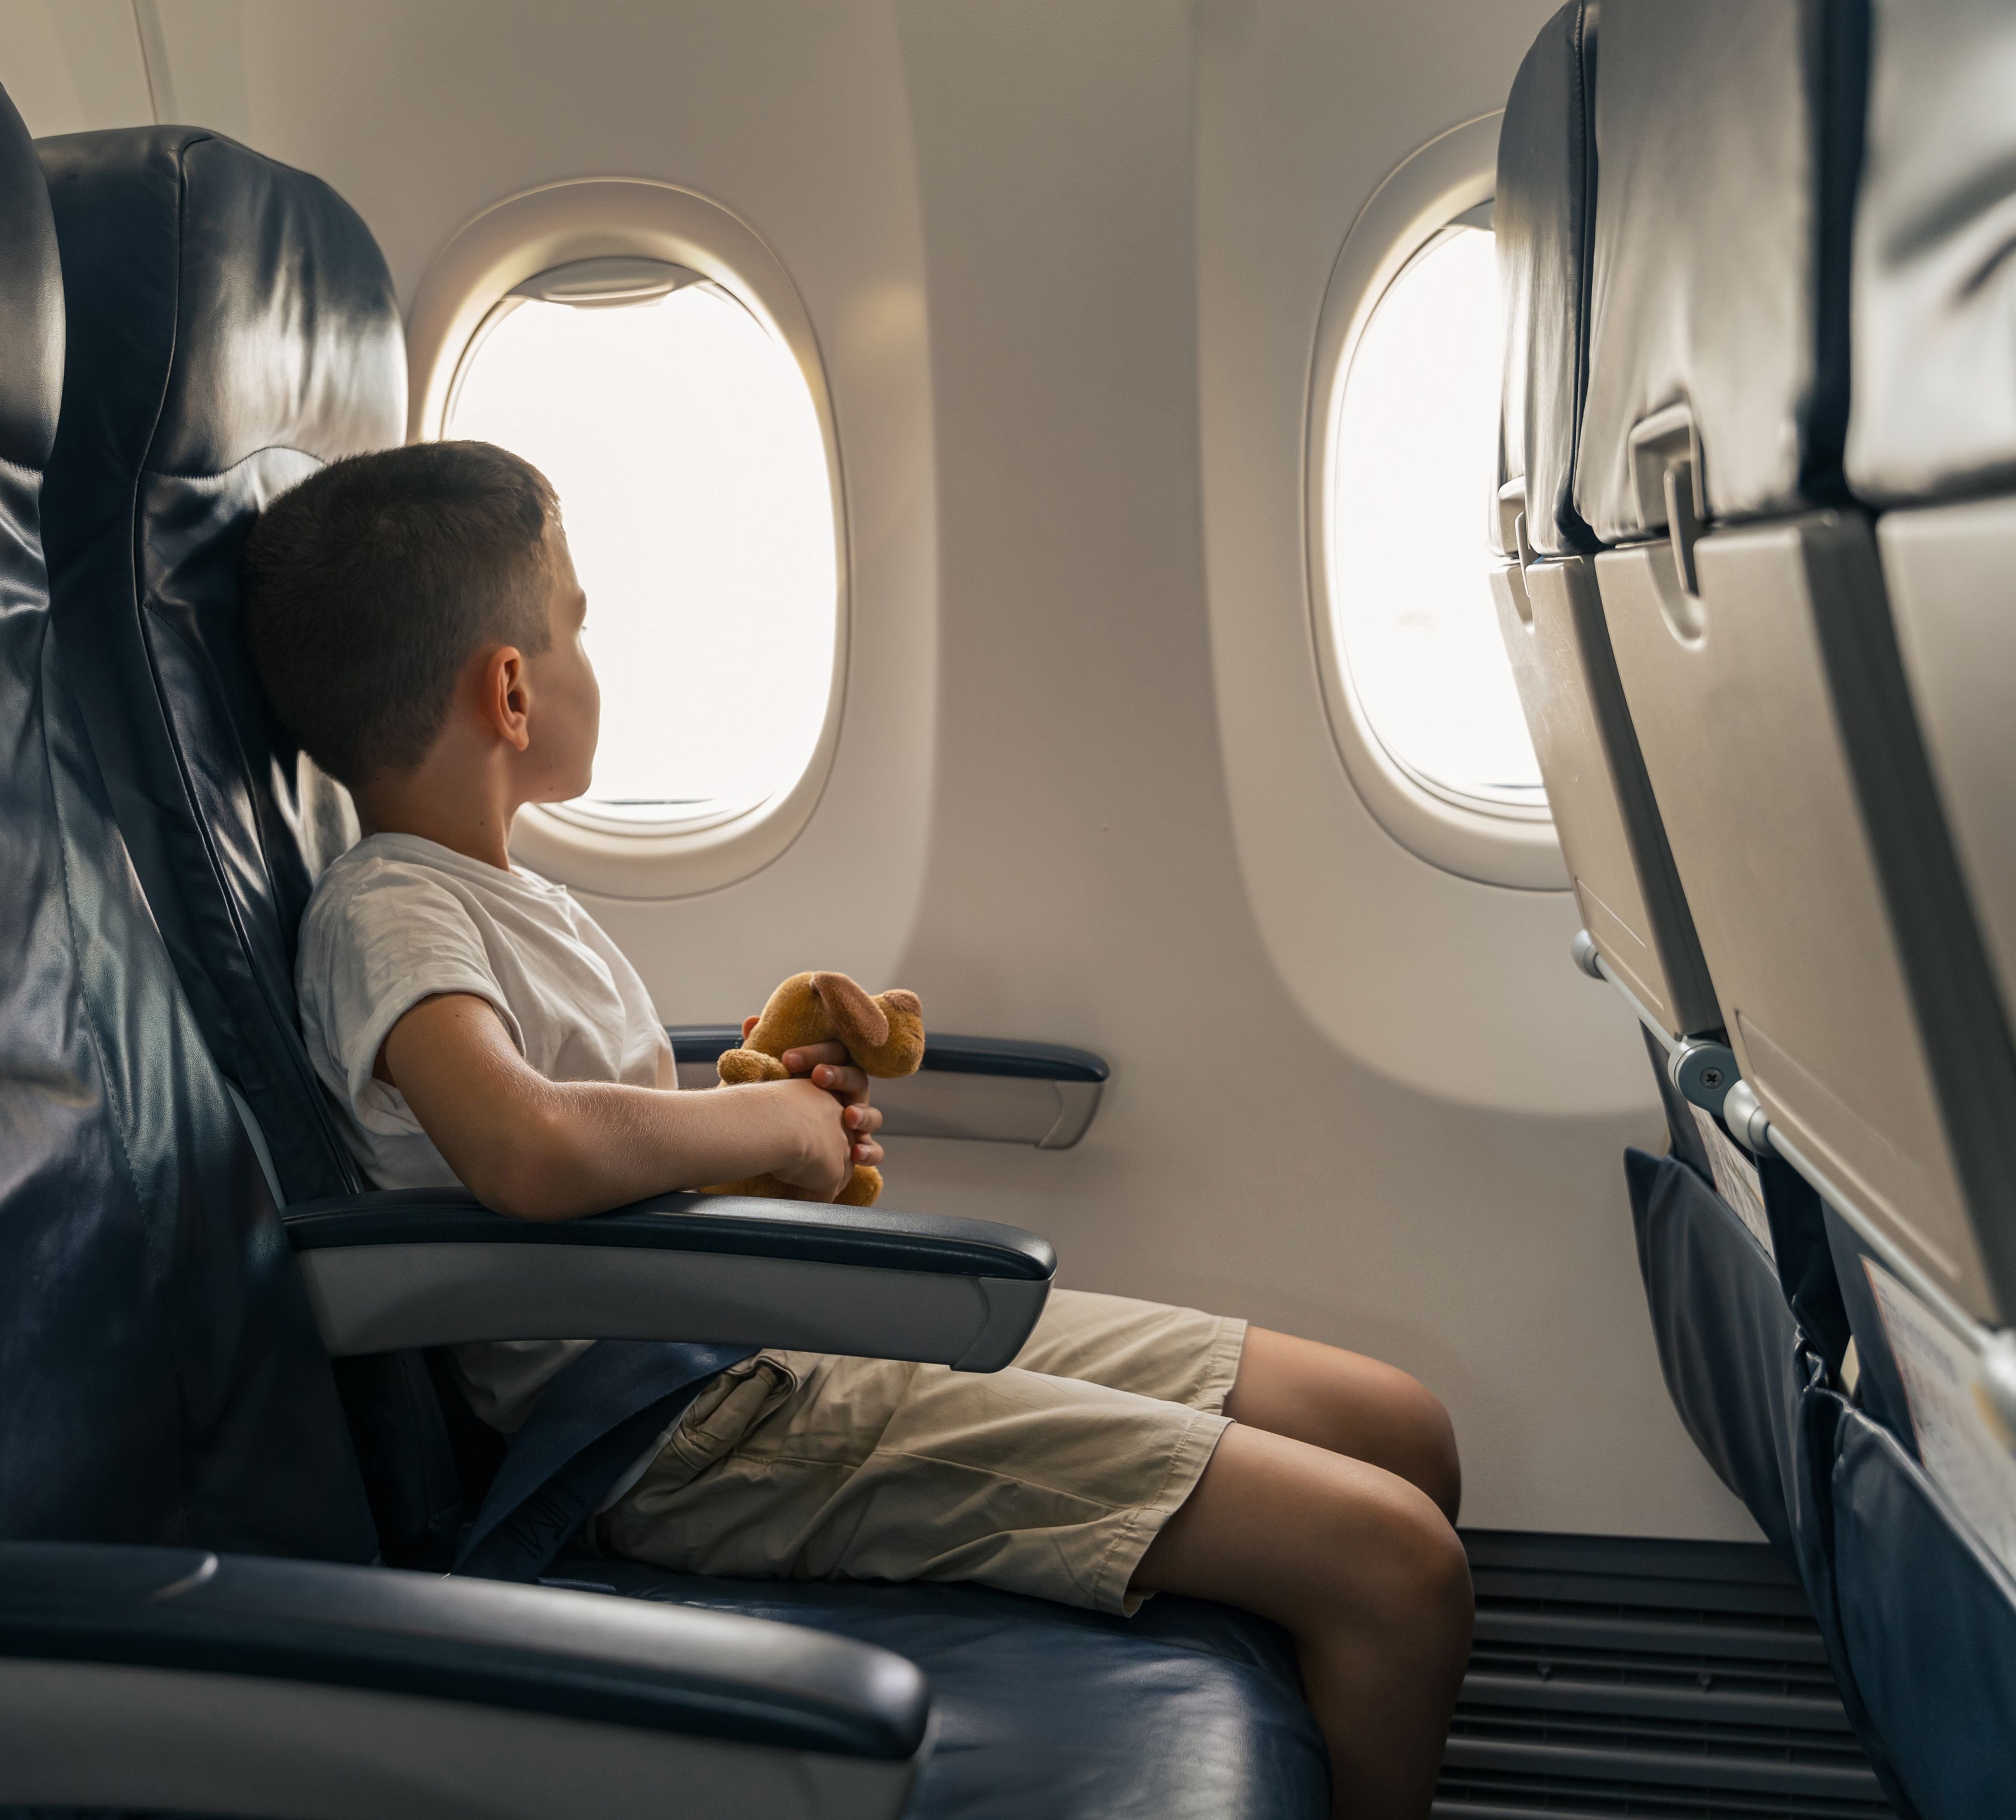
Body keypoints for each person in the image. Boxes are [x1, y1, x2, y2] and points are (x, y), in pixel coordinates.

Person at [250, 439, 1472, 1820]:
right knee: (1395, 1568)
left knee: (1400, 1429)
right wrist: (756, 1122)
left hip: (764, 1327)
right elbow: (525, 1146)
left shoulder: (504, 890)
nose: (595, 651)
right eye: (577, 620)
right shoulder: (388, 912)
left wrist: (751, 1111)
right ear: (512, 689)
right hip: (686, 1429)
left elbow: (591, 1146)